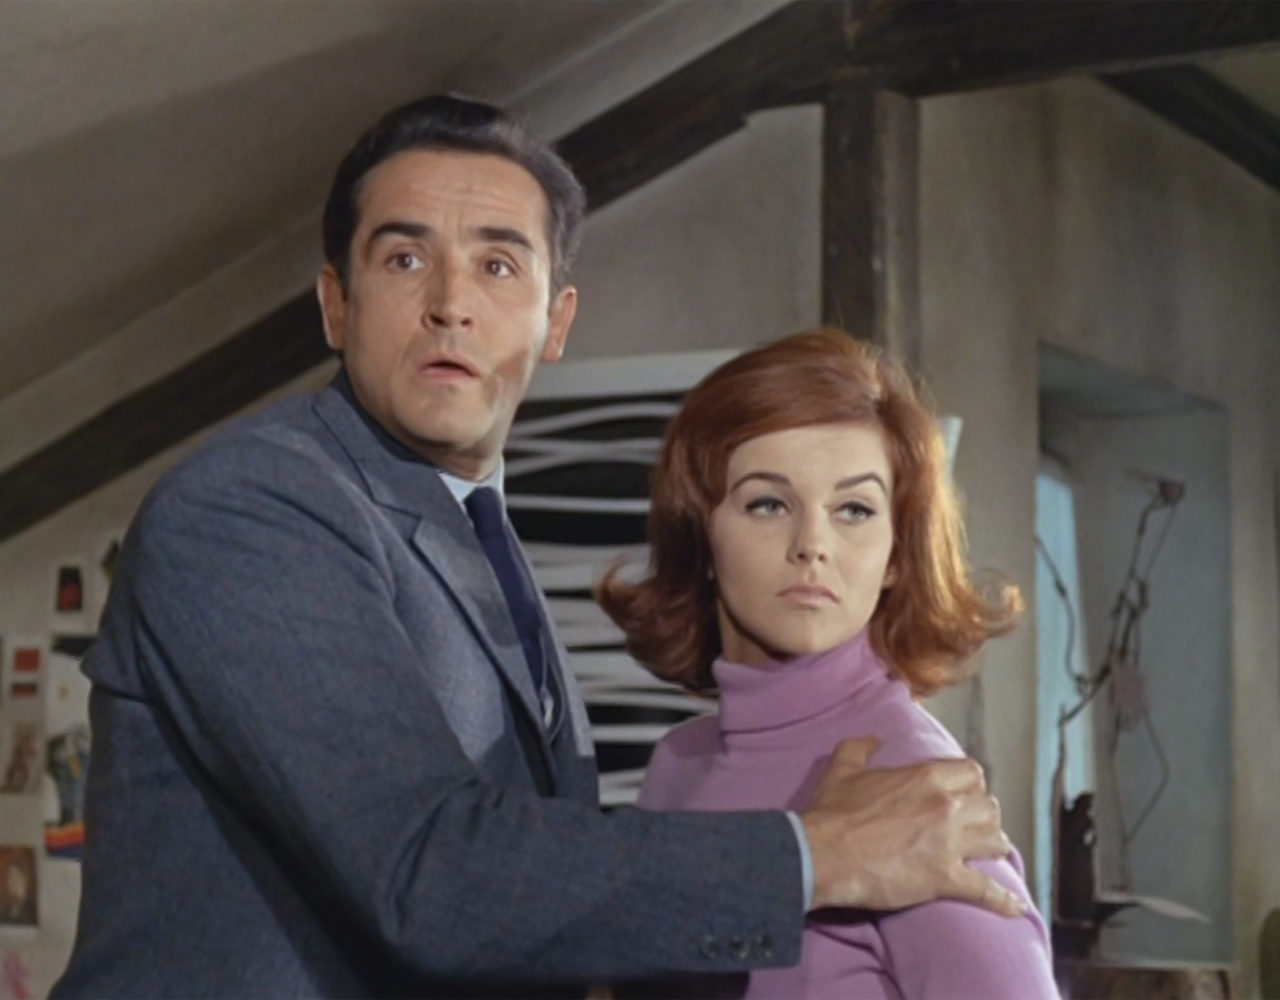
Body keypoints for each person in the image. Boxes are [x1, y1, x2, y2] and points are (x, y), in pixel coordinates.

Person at [52, 96, 1022, 999]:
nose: (450, 303)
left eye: (498, 265)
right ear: (335, 305)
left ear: (556, 321)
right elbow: (427, 874)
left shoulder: (475, 536)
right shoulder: (251, 506)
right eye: (404, 259)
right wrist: (818, 857)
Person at [598, 328, 1059, 999]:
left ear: (896, 555)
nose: (812, 543)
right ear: (700, 535)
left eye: (854, 509)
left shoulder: (913, 786)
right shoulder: (679, 764)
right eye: (768, 503)